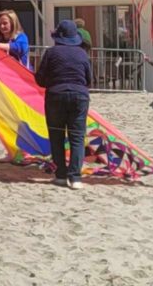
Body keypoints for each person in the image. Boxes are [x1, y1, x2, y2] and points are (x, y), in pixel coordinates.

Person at [35, 20, 92, 190]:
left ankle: (60, 175)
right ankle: (75, 178)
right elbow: (89, 79)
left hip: (55, 96)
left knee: (56, 135)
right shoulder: (82, 54)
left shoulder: (51, 53)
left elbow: (40, 79)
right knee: (77, 137)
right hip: (79, 96)